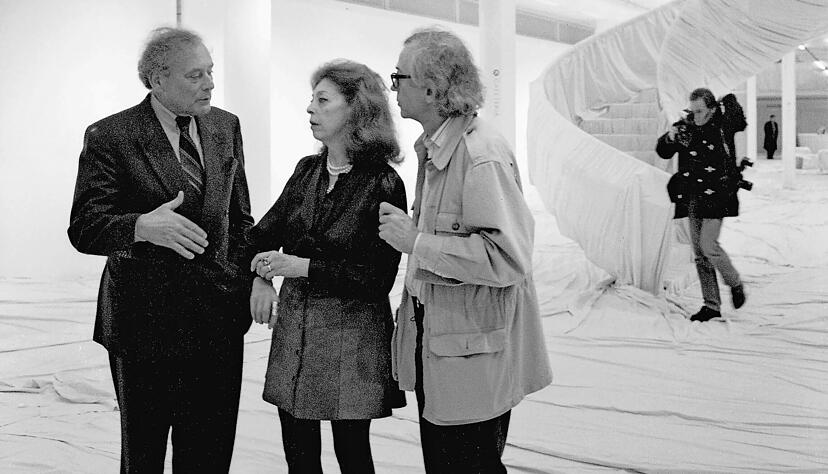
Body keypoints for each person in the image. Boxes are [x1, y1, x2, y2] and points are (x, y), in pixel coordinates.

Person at [67, 27, 253, 472]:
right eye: (195, 75)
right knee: (144, 454)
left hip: (217, 321)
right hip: (143, 324)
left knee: (209, 454)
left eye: (211, 72)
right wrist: (140, 226)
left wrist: (246, 284)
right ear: (157, 80)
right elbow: (84, 228)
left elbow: (241, 217)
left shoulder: (225, 125)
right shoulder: (112, 135)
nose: (210, 83)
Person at [378, 27, 552, 473]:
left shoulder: (479, 155)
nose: (393, 87)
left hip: (472, 355)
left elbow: (508, 258)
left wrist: (417, 242)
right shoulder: (439, 149)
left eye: (400, 78)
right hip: (446, 346)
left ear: (432, 89)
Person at [248, 59, 407, 474]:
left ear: (355, 109)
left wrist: (299, 266)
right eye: (312, 99)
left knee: (352, 453)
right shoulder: (307, 171)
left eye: (322, 100)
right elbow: (262, 236)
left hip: (351, 336)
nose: (310, 109)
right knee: (298, 453)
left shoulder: (383, 183)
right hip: (296, 330)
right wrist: (261, 279)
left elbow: (376, 280)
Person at [656, 87, 747, 322]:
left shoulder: (723, 125)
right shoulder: (686, 127)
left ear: (712, 109)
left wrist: (727, 95)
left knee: (708, 245)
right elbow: (664, 151)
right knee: (699, 253)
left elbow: (739, 119)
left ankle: (734, 283)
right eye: (693, 110)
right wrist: (670, 137)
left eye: (700, 111)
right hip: (693, 194)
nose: (696, 116)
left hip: (719, 195)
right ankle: (711, 305)